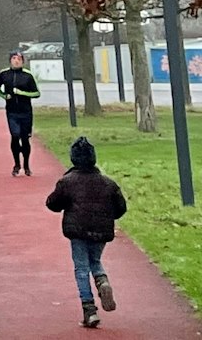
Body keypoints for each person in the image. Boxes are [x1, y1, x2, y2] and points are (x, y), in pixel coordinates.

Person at [45, 136, 127, 328]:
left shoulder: (67, 182)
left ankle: (89, 310)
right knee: (95, 261)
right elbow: (121, 208)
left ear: (73, 158)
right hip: (101, 231)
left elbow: (52, 203)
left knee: (81, 268)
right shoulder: (108, 183)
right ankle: (102, 281)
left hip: (77, 231)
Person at [0, 51, 41, 175]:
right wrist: (4, 96)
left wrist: (21, 93)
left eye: (19, 59)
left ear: (23, 62)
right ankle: (17, 164)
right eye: (14, 58)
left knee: (25, 139)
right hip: (12, 111)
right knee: (15, 135)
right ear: (10, 60)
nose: (16, 61)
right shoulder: (4, 74)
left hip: (26, 112)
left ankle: (26, 165)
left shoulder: (27, 76)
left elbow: (36, 93)